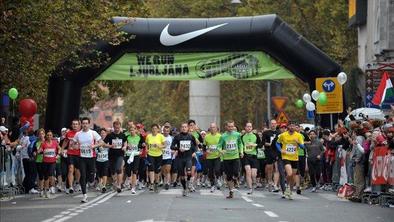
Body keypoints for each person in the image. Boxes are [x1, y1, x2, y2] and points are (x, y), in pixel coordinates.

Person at [73, 117, 103, 203]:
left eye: (86, 123)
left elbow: (101, 142)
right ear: (81, 124)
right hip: (82, 157)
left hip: (91, 157)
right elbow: (73, 144)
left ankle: (93, 177)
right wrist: (76, 146)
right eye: (83, 123)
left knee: (90, 179)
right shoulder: (78, 134)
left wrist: (94, 146)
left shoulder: (93, 133)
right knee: (83, 175)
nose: (85, 125)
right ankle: (84, 196)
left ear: (89, 124)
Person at [276, 123, 305, 200]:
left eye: (293, 126)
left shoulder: (298, 135)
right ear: (288, 127)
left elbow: (303, 147)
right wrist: (280, 150)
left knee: (293, 176)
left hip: (295, 158)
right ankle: (287, 185)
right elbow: (277, 143)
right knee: (289, 173)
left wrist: (298, 143)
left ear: (295, 127)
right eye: (290, 126)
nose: (292, 127)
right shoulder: (283, 135)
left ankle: (290, 191)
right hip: (286, 157)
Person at [218, 120, 244, 199]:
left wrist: (241, 152)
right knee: (228, 176)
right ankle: (231, 192)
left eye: (232, 126)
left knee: (236, 172)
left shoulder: (237, 135)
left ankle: (235, 179)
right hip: (226, 158)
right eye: (229, 126)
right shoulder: (223, 136)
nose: (231, 128)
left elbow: (240, 143)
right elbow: (218, 146)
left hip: (235, 156)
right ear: (226, 127)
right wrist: (221, 150)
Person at [171, 123, 197, 196]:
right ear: (180, 128)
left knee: (189, 172)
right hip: (180, 158)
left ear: (188, 128)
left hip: (188, 157)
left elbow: (195, 146)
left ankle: (188, 182)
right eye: (182, 127)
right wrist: (178, 149)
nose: (184, 128)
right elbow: (172, 146)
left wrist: (194, 152)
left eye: (185, 127)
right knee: (182, 175)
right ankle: (185, 188)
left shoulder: (191, 137)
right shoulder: (177, 137)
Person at [104, 120, 127, 193]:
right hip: (111, 155)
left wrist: (124, 147)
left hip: (120, 154)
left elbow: (126, 143)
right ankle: (115, 181)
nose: (117, 129)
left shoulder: (123, 135)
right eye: (115, 128)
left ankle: (119, 185)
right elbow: (104, 144)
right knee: (113, 171)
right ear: (113, 127)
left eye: (118, 128)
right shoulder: (110, 135)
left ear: (120, 127)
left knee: (118, 169)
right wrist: (110, 145)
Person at [241, 122, 261, 195]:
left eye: (250, 127)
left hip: (254, 156)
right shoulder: (242, 136)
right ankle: (250, 188)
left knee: (253, 174)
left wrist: (255, 144)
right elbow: (241, 145)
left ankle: (254, 182)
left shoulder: (256, 136)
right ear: (245, 128)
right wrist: (242, 152)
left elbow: (260, 144)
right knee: (248, 172)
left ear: (252, 128)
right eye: (247, 126)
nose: (249, 128)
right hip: (246, 156)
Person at [40, 130, 61, 198]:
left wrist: (58, 154)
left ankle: (50, 187)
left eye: (50, 135)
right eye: (48, 135)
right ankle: (46, 190)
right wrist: (38, 151)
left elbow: (59, 148)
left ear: (52, 136)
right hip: (45, 162)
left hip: (52, 161)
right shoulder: (43, 143)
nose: (49, 136)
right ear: (46, 136)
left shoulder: (55, 143)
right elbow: (40, 150)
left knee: (51, 174)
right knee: (46, 177)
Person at [62, 119, 81, 194]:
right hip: (71, 154)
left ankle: (77, 182)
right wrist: (62, 149)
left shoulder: (81, 133)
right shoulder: (69, 133)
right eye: (73, 124)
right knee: (70, 169)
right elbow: (66, 141)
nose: (75, 125)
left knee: (78, 170)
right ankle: (70, 187)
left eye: (76, 124)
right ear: (71, 125)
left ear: (79, 125)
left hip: (79, 154)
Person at [145, 124, 165, 192]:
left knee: (157, 171)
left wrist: (159, 146)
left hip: (159, 155)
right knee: (151, 169)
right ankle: (152, 183)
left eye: (155, 128)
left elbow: (164, 145)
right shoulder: (148, 136)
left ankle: (156, 182)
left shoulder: (161, 136)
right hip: (150, 154)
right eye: (153, 128)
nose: (154, 130)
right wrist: (146, 149)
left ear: (158, 129)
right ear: (151, 129)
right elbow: (146, 144)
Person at [125, 125, 144, 194]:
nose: (132, 131)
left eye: (133, 130)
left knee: (135, 171)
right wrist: (127, 146)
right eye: (130, 130)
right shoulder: (127, 137)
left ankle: (133, 187)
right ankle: (130, 181)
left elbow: (142, 144)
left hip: (136, 155)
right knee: (128, 171)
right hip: (129, 155)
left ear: (135, 130)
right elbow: (125, 145)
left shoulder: (139, 137)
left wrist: (141, 150)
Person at [263, 119, 280, 192]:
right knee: (270, 168)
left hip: (277, 151)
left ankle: (275, 185)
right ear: (270, 124)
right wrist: (269, 144)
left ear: (276, 124)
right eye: (272, 123)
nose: (273, 125)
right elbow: (263, 142)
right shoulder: (266, 133)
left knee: (277, 168)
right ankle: (270, 181)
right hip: (269, 152)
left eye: (274, 123)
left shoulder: (279, 133)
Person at [32, 128, 46, 197]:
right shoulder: (36, 143)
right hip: (38, 160)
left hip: (47, 160)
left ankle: (47, 188)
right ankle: (41, 189)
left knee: (46, 175)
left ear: (44, 134)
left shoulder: (47, 141)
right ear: (38, 135)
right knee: (41, 175)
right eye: (40, 134)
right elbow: (33, 151)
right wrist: (34, 153)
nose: (41, 135)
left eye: (42, 134)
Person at [96, 128, 109, 193]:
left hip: (106, 159)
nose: (103, 134)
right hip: (98, 159)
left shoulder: (108, 141)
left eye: (104, 133)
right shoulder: (97, 141)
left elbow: (110, 148)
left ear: (106, 134)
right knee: (99, 174)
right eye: (101, 133)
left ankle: (104, 186)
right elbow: (95, 149)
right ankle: (100, 184)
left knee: (105, 172)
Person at [161, 126, 173, 190]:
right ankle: (165, 181)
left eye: (167, 131)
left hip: (168, 156)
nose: (166, 132)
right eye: (165, 131)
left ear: (169, 131)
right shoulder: (160, 137)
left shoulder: (171, 138)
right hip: (162, 156)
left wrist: (174, 151)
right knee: (163, 171)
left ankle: (167, 183)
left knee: (168, 170)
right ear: (163, 131)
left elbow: (173, 146)